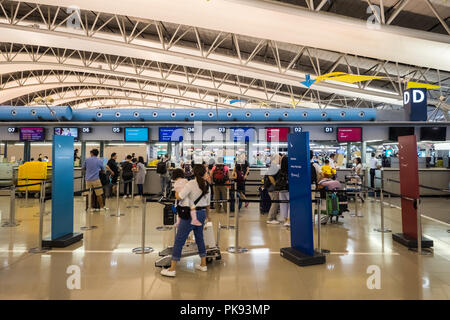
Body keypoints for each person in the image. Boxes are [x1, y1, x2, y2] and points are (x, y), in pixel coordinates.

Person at [161, 164, 210, 277]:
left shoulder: (190, 184)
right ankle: (203, 264)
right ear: (203, 173)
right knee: (200, 238)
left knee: (179, 240)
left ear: (194, 173)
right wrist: (208, 217)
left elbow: (180, 197)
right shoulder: (207, 185)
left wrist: (176, 192)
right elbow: (207, 204)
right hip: (202, 213)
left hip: (189, 215)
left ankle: (172, 269)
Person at [265, 154, 280, 224]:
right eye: (279, 158)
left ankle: (274, 217)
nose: (280, 159)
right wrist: (275, 185)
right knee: (275, 203)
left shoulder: (273, 166)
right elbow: (270, 176)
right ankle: (270, 218)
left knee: (275, 203)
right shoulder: (274, 166)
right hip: (272, 189)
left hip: (271, 188)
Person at [276, 155, 290, 227]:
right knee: (290, 204)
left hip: (281, 189)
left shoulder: (280, 170)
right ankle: (288, 220)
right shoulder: (290, 170)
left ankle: (285, 219)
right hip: (288, 189)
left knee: (283, 204)